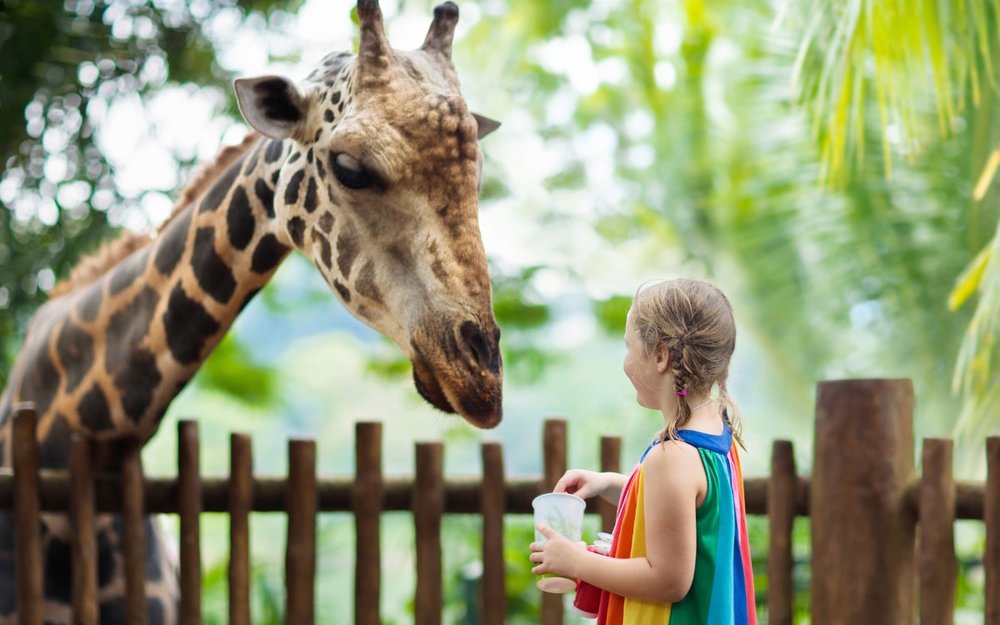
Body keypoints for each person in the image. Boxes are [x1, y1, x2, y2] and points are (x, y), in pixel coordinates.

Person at [529, 278, 757, 624]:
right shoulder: (715, 433)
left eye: (628, 346)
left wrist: (577, 562)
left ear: (661, 356)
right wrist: (609, 484)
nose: (625, 360)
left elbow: (667, 580)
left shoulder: (672, 456)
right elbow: (685, 513)